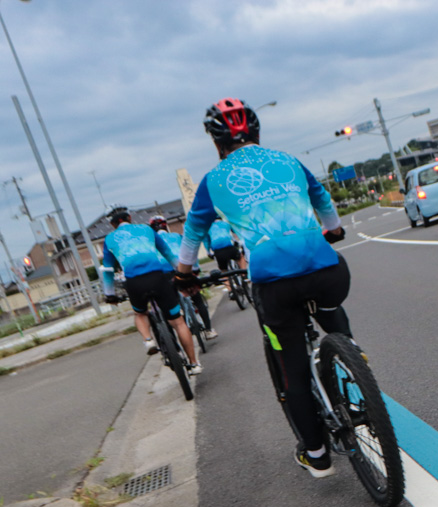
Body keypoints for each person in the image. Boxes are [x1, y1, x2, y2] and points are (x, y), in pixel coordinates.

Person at [175, 98, 349, 477]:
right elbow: (321, 197)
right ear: (256, 131)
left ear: (217, 142)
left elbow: (192, 233)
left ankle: (318, 455)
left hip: (273, 283)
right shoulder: (287, 161)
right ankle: (351, 354)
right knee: (329, 295)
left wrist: (184, 275)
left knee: (294, 370)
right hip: (326, 269)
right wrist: (332, 230)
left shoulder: (213, 181)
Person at [100, 207, 202, 375]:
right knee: (177, 322)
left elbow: (108, 270)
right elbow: (167, 253)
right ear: (130, 217)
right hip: (158, 278)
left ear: (112, 225)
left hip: (134, 282)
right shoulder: (146, 229)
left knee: (140, 313)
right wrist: (183, 274)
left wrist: (109, 294)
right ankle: (194, 363)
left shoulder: (110, 239)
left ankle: (148, 340)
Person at [150, 215, 217, 339]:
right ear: (166, 226)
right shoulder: (177, 236)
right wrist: (195, 269)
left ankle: (174, 344)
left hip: (163, 274)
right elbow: (190, 252)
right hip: (181, 269)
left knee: (168, 306)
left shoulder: (153, 242)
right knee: (197, 299)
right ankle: (208, 330)